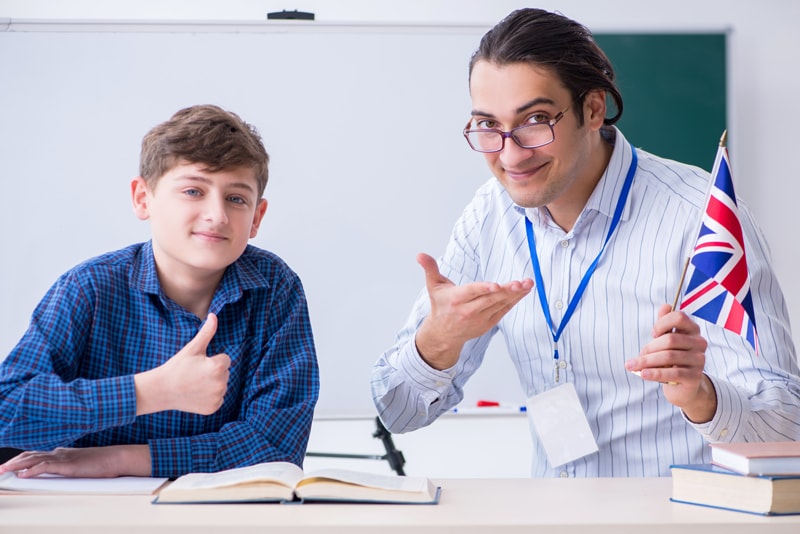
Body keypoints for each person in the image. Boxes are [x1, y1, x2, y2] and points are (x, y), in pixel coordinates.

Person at [371, 8, 800, 477]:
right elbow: (399, 413)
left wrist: (702, 398)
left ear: (593, 109)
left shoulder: (700, 218)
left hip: (677, 519)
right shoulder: (488, 216)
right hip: (557, 516)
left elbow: (788, 430)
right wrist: (437, 342)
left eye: (535, 119)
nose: (510, 154)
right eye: (488, 125)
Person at [0, 105, 319, 479]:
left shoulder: (276, 288)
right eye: (193, 191)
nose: (217, 215)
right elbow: (7, 410)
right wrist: (152, 391)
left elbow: (277, 446)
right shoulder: (90, 287)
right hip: (91, 507)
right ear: (143, 198)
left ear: (257, 218)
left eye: (236, 198)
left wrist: (120, 460)